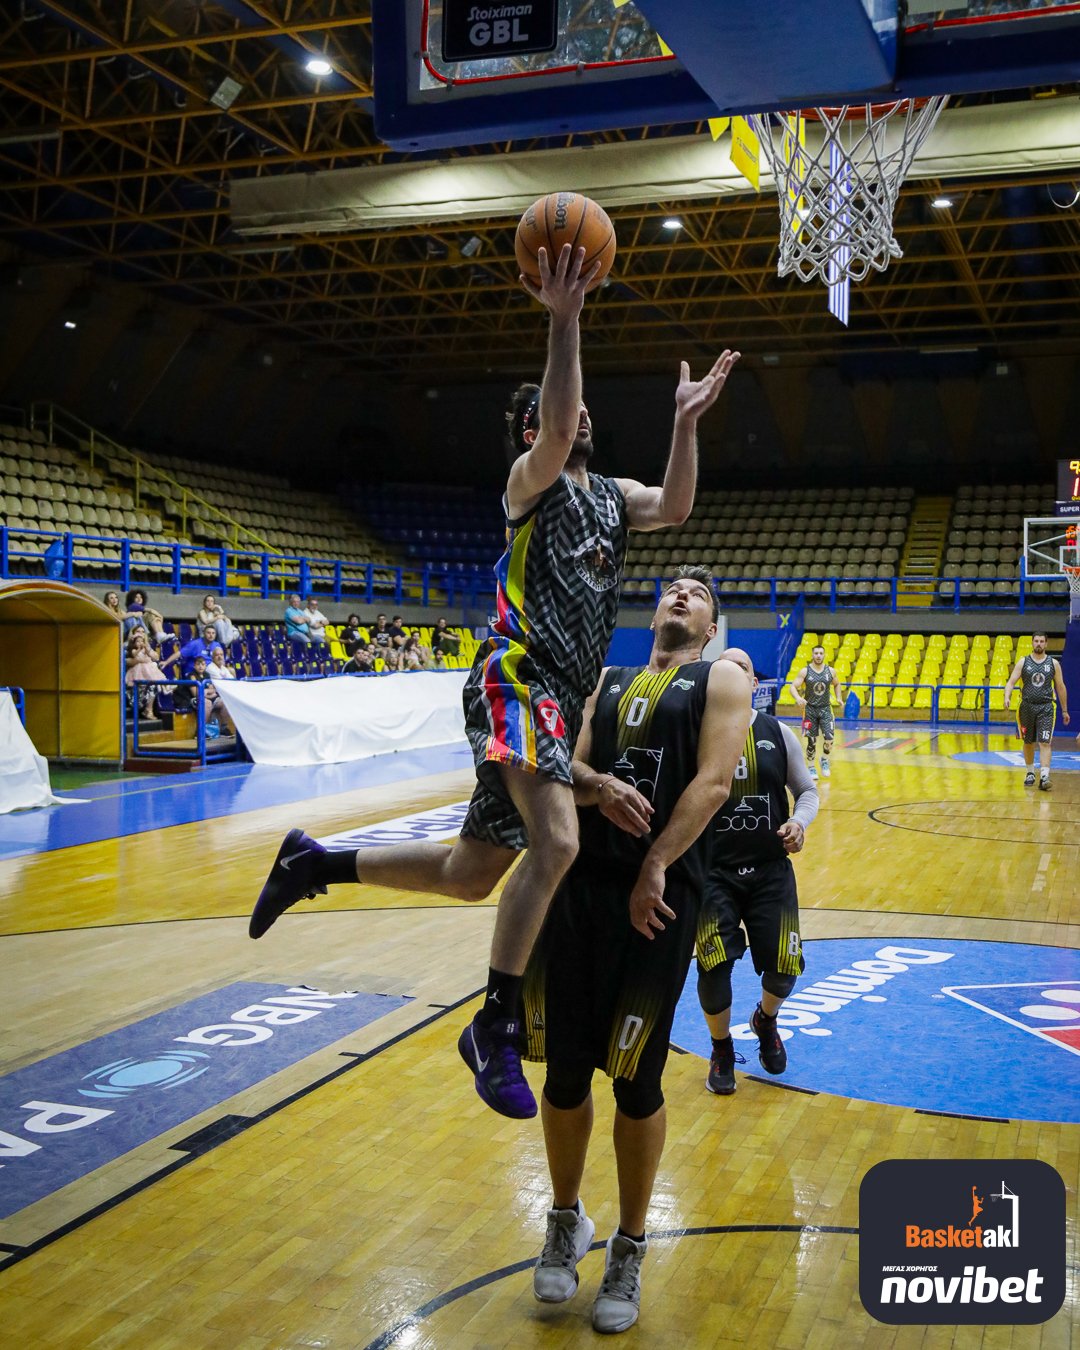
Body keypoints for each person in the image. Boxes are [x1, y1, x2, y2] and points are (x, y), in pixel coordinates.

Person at [249, 239, 740, 1121]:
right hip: (517, 678)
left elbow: (674, 506)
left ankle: (317, 862)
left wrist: (686, 422)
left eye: (587, 407)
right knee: (557, 845)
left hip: (553, 699)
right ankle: (496, 1026)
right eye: (566, 406)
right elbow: (555, 427)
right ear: (534, 428)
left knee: (474, 870)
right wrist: (566, 316)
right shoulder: (531, 481)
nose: (581, 413)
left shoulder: (609, 496)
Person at [523, 570, 750, 1334]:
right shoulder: (610, 679)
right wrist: (595, 788)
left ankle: (630, 1244)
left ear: (712, 619)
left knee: (636, 1079)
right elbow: (569, 769)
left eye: (696, 591)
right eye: (670, 586)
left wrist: (654, 864)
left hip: (658, 902)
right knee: (561, 1072)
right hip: (581, 890)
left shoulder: (719, 677)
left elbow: (715, 783)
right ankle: (564, 1218)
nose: (679, 593)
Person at [695, 648, 819, 1096]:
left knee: (785, 968)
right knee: (713, 967)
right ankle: (722, 1048)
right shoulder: (696, 733)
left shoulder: (776, 731)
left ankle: (765, 1020)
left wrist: (799, 823)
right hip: (712, 872)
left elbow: (806, 790)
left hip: (769, 870)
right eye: (722, 668)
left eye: (742, 667)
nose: (733, 674)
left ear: (754, 681)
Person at [1003, 631, 1070, 790]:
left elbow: (1060, 687)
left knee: (1045, 741)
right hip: (1026, 706)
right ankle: (1030, 772)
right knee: (1028, 741)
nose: (1039, 644)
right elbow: (1011, 682)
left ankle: (1045, 776)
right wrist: (1007, 696)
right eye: (1036, 641)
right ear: (1032, 643)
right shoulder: (1023, 662)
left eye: (1041, 641)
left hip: (1046, 707)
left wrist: (1065, 710)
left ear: (1046, 644)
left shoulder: (1053, 664)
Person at [789, 644, 844, 780]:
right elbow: (792, 687)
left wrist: (839, 698)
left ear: (824, 655)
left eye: (821, 653)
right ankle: (811, 766)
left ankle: (824, 759)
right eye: (816, 653)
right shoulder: (805, 671)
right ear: (812, 655)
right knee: (812, 741)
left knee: (830, 738)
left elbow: (837, 684)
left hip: (826, 708)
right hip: (810, 710)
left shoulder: (830, 671)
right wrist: (798, 698)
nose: (818, 656)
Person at [124, 629, 178, 717]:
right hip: (134, 687)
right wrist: (142, 655)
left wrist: (147, 649)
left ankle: (166, 686)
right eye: (138, 632)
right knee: (151, 671)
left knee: (153, 672)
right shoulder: (129, 651)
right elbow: (134, 660)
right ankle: (148, 710)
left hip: (147, 682)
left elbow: (156, 657)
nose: (141, 634)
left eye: (142, 632)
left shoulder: (146, 649)